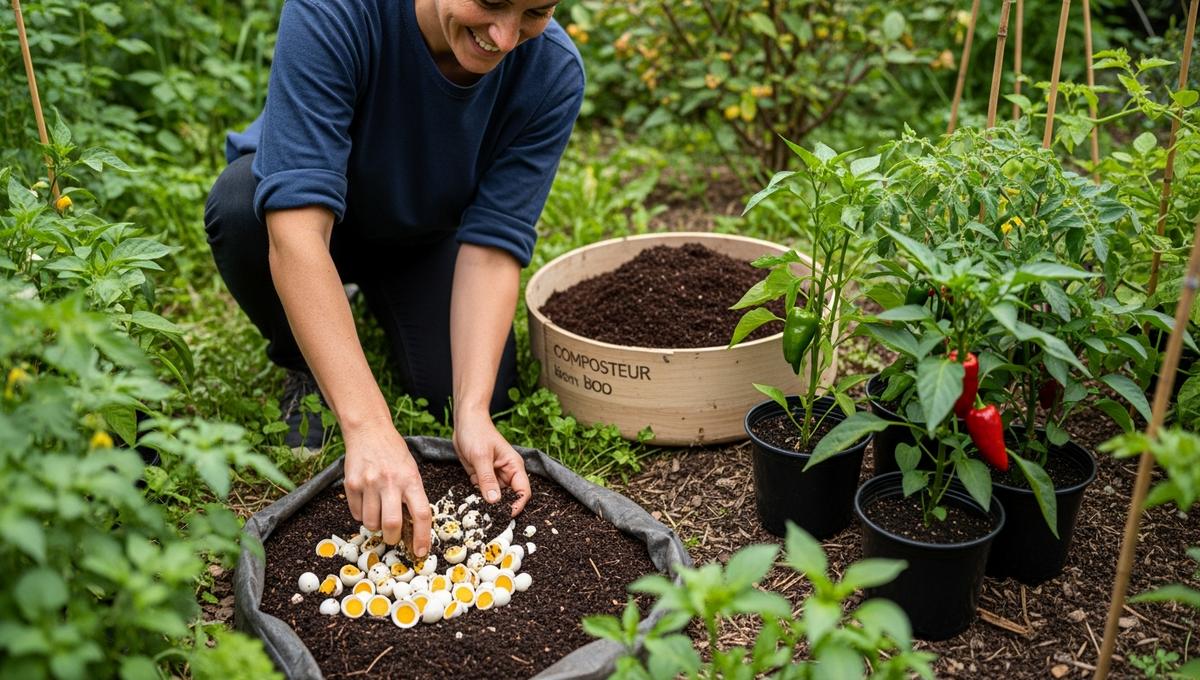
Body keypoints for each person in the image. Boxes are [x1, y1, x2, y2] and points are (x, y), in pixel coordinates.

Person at [204, 0, 584, 558]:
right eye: (491, 2)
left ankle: (372, 299)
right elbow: (296, 235)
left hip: (424, 236)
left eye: (534, 10)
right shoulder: (334, 11)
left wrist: (471, 411)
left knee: (467, 392)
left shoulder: (550, 70)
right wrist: (368, 426)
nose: (505, 37)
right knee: (240, 209)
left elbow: (492, 246)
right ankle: (304, 363)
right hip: (307, 220)